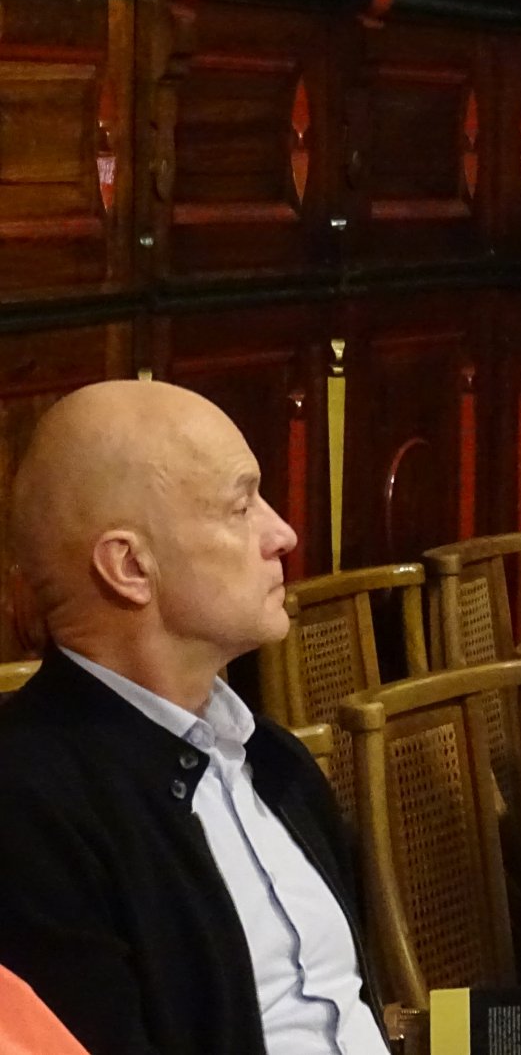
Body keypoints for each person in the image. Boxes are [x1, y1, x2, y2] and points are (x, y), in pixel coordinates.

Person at [0, 380, 386, 1055]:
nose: (283, 533)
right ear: (130, 567)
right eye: (241, 506)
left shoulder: (274, 759)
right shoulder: (26, 809)